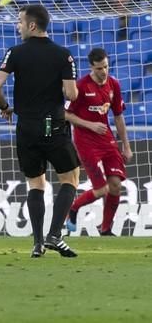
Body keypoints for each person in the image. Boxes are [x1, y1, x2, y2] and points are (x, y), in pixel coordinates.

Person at [0, 4, 80, 258]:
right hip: (53, 125)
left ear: (32, 25)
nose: (17, 26)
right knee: (70, 178)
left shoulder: (15, 52)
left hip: (25, 127)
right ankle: (55, 234)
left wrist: (5, 107)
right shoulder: (63, 55)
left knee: (35, 184)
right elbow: (71, 93)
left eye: (19, 22)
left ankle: (38, 243)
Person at [65, 48, 133, 236]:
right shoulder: (81, 86)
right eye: (99, 68)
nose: (104, 72)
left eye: (106, 67)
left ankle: (106, 229)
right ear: (91, 67)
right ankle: (73, 208)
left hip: (106, 139)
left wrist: (126, 146)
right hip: (85, 141)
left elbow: (118, 117)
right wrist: (90, 125)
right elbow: (66, 114)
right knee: (102, 189)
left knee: (116, 185)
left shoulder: (114, 85)